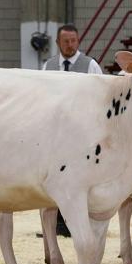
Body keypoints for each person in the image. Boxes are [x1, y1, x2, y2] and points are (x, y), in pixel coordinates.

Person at [42, 23, 102, 236]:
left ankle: (77, 222)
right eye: (66, 41)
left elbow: (100, 99)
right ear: (58, 43)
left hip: (82, 133)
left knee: (79, 178)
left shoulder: (91, 65)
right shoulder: (47, 67)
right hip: (55, 134)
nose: (70, 45)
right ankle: (57, 222)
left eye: (73, 40)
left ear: (78, 41)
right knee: (55, 178)